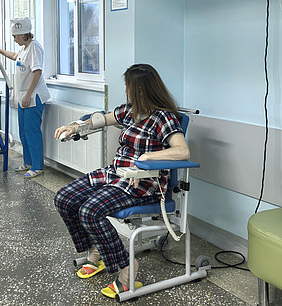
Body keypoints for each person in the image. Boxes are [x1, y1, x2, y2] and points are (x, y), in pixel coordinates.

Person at [53, 64, 190, 298]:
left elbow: (183, 151)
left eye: (128, 86)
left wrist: (147, 157)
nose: (125, 90)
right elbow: (100, 120)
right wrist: (75, 126)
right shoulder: (129, 111)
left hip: (142, 184)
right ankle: (97, 249)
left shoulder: (163, 118)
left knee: (89, 211)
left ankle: (127, 267)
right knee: (64, 198)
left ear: (140, 90)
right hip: (116, 173)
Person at [0, 17, 50, 178]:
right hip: (23, 97)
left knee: (32, 132)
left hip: (33, 97)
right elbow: (15, 56)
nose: (14, 39)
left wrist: (28, 95)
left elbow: (37, 72)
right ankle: (28, 162)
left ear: (23, 34)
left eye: (15, 36)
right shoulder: (25, 49)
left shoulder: (34, 47)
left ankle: (37, 166)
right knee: (23, 132)